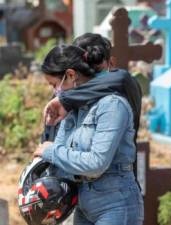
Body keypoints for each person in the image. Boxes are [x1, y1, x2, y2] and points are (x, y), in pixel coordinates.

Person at [34, 45, 144, 225]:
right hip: (83, 201)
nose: (55, 92)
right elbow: (59, 156)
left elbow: (96, 163)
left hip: (115, 203)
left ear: (70, 75)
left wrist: (50, 151)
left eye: (54, 85)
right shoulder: (72, 109)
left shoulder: (112, 105)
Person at [43, 33, 142, 147]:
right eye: (84, 70)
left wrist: (66, 99)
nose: (89, 77)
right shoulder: (64, 97)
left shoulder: (121, 88)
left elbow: (122, 79)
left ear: (111, 63)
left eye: (98, 70)